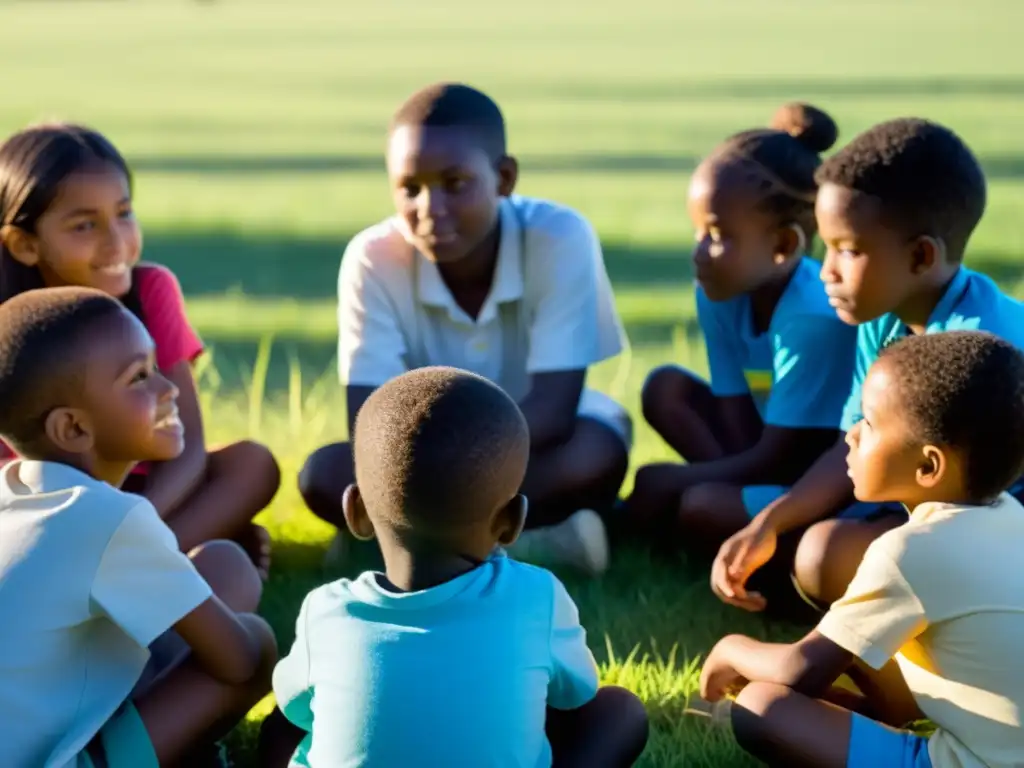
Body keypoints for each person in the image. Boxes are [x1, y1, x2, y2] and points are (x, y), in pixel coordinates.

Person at [298, 83, 631, 576]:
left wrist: (447, 477)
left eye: (455, 184)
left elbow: (555, 411)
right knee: (324, 475)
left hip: (533, 447)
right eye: (410, 188)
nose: (430, 209)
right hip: (416, 451)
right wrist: (441, 469)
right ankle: (537, 544)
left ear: (504, 178)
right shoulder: (372, 258)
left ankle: (397, 544)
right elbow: (368, 419)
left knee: (595, 455)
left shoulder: (560, 237)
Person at [710, 116, 1024, 614]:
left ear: (921, 257)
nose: (827, 271)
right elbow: (851, 443)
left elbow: (968, 510)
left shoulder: (976, 349)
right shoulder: (885, 317)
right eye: (826, 247)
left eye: (848, 250)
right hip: (932, 512)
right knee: (759, 526)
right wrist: (768, 523)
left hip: (995, 532)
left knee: (821, 554)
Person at [259, 367, 649, 767]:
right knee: (620, 711)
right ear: (512, 521)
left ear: (354, 512)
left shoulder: (325, 609)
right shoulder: (538, 596)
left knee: (283, 721)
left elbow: (295, 710)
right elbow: (575, 695)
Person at [698, 330, 1024, 768]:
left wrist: (729, 649)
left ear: (928, 466)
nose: (851, 435)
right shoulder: (1011, 514)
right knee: (856, 643)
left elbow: (800, 671)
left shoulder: (910, 551)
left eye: (868, 423)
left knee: (762, 705)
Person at [0, 287, 277, 768]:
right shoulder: (107, 518)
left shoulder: (12, 491)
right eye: (140, 377)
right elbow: (239, 662)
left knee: (222, 566)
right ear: (73, 429)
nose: (168, 389)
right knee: (257, 641)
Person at [0, 122, 280, 577]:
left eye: (124, 214)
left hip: (144, 495)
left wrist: (133, 522)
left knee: (250, 463)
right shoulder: (9, 330)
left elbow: (186, 443)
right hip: (41, 509)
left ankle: (134, 563)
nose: (117, 243)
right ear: (25, 244)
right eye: (85, 225)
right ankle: (169, 560)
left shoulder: (152, 290)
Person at [628, 104, 857, 576]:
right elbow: (734, 409)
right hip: (766, 444)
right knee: (666, 389)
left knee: (701, 506)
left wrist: (679, 483)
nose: (698, 252)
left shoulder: (811, 318)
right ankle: (716, 517)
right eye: (697, 231)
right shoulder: (720, 293)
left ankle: (744, 539)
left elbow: (785, 457)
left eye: (717, 235)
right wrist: (699, 480)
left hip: (812, 475)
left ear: (784, 247)